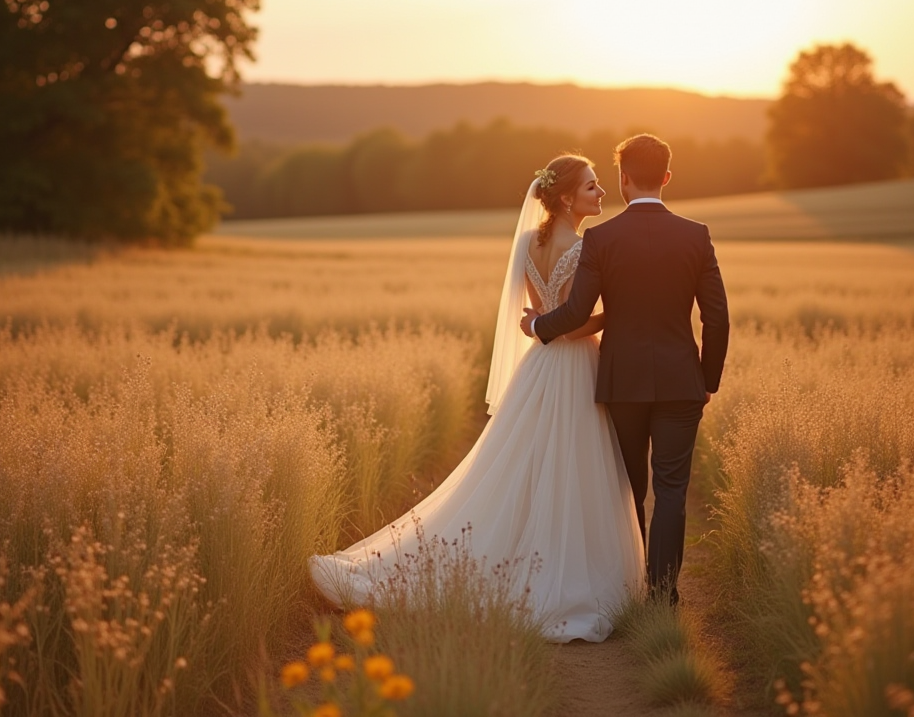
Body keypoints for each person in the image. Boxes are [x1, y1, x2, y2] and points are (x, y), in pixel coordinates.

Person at [309, 154, 645, 643]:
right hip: (574, 366)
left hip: (538, 366)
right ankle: (559, 571)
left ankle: (518, 549)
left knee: (524, 463)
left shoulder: (531, 243)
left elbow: (541, 317)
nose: (601, 194)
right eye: (592, 187)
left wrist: (538, 325)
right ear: (568, 197)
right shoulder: (587, 244)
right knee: (570, 464)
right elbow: (572, 323)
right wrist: (612, 318)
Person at [523, 134, 729, 606]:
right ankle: (661, 596)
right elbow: (717, 318)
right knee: (673, 489)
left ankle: (629, 582)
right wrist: (707, 380)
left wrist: (537, 325)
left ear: (622, 179)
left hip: (621, 381)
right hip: (682, 382)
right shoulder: (696, 235)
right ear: (668, 178)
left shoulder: (601, 237)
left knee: (629, 487)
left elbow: (575, 313)